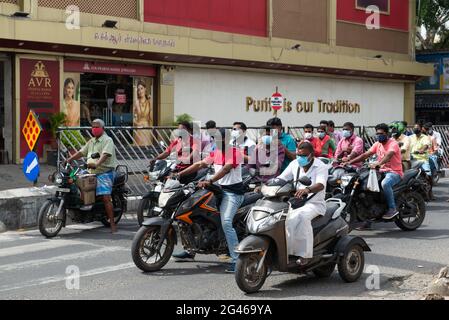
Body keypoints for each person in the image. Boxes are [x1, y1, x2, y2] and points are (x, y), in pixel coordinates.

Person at [171, 128, 244, 273]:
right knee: (191, 213)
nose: (216, 141)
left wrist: (209, 181)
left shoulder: (235, 153)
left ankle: (237, 260)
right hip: (216, 190)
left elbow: (225, 170)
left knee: (226, 222)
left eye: (219, 138)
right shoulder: (216, 153)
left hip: (232, 193)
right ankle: (190, 250)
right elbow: (199, 164)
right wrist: (178, 174)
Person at [277, 141, 328, 265]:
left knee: (302, 217)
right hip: (295, 202)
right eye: (298, 155)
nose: (300, 158)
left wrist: (308, 189)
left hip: (314, 204)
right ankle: (287, 252)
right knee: (282, 218)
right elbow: (282, 178)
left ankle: (305, 254)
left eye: (303, 156)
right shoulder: (294, 164)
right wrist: (267, 184)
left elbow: (321, 184)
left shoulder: (320, 166)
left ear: (311, 155)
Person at [66, 119, 118, 233]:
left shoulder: (107, 140)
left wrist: (97, 164)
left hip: (105, 172)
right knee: (73, 180)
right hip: (90, 171)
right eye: (93, 126)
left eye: (97, 126)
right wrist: (70, 159)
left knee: (105, 197)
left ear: (102, 128)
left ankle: (113, 224)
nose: (94, 129)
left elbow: (105, 154)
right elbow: (81, 152)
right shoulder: (91, 141)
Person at [346, 123, 403, 220]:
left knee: (385, 184)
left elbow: (388, 155)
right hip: (380, 171)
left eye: (381, 133)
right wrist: (349, 161)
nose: (378, 136)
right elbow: (365, 155)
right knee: (365, 186)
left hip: (394, 172)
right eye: (377, 134)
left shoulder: (393, 143)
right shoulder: (377, 144)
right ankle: (367, 218)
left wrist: (379, 164)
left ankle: (392, 208)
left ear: (386, 133)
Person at [410, 122, 434, 199]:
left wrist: (422, 150)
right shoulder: (410, 137)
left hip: (422, 159)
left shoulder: (425, 137)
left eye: (417, 128)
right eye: (414, 127)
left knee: (428, 174)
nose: (415, 129)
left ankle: (430, 191)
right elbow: (405, 145)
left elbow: (426, 145)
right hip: (412, 159)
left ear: (421, 129)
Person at [133, 81, 153, 146]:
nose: (140, 91)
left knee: (147, 149)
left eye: (141, 88)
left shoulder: (149, 102)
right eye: (138, 90)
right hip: (139, 129)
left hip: (147, 129)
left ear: (145, 89)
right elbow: (133, 118)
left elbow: (151, 117)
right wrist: (138, 124)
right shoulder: (136, 103)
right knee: (139, 150)